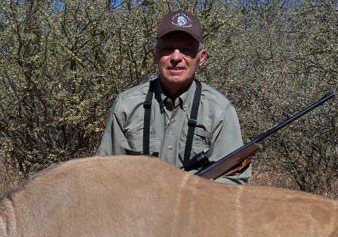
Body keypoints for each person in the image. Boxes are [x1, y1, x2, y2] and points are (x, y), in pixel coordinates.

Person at [96, 10, 250, 185]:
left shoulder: (220, 111)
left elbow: (234, 181)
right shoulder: (126, 105)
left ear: (201, 58)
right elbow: (104, 174)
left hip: (196, 208)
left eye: (186, 50)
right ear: (155, 54)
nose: (176, 57)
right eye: (167, 49)